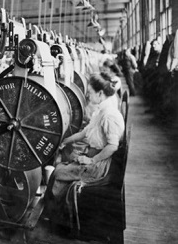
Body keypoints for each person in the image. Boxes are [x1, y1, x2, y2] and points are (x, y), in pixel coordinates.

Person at [46, 72, 125, 221]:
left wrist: (92, 160)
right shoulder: (101, 111)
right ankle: (55, 212)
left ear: (100, 93)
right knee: (62, 166)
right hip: (96, 158)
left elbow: (113, 146)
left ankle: (58, 217)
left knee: (58, 173)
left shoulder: (109, 115)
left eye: (90, 92)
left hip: (100, 166)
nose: (87, 95)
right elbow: (84, 133)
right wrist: (64, 141)